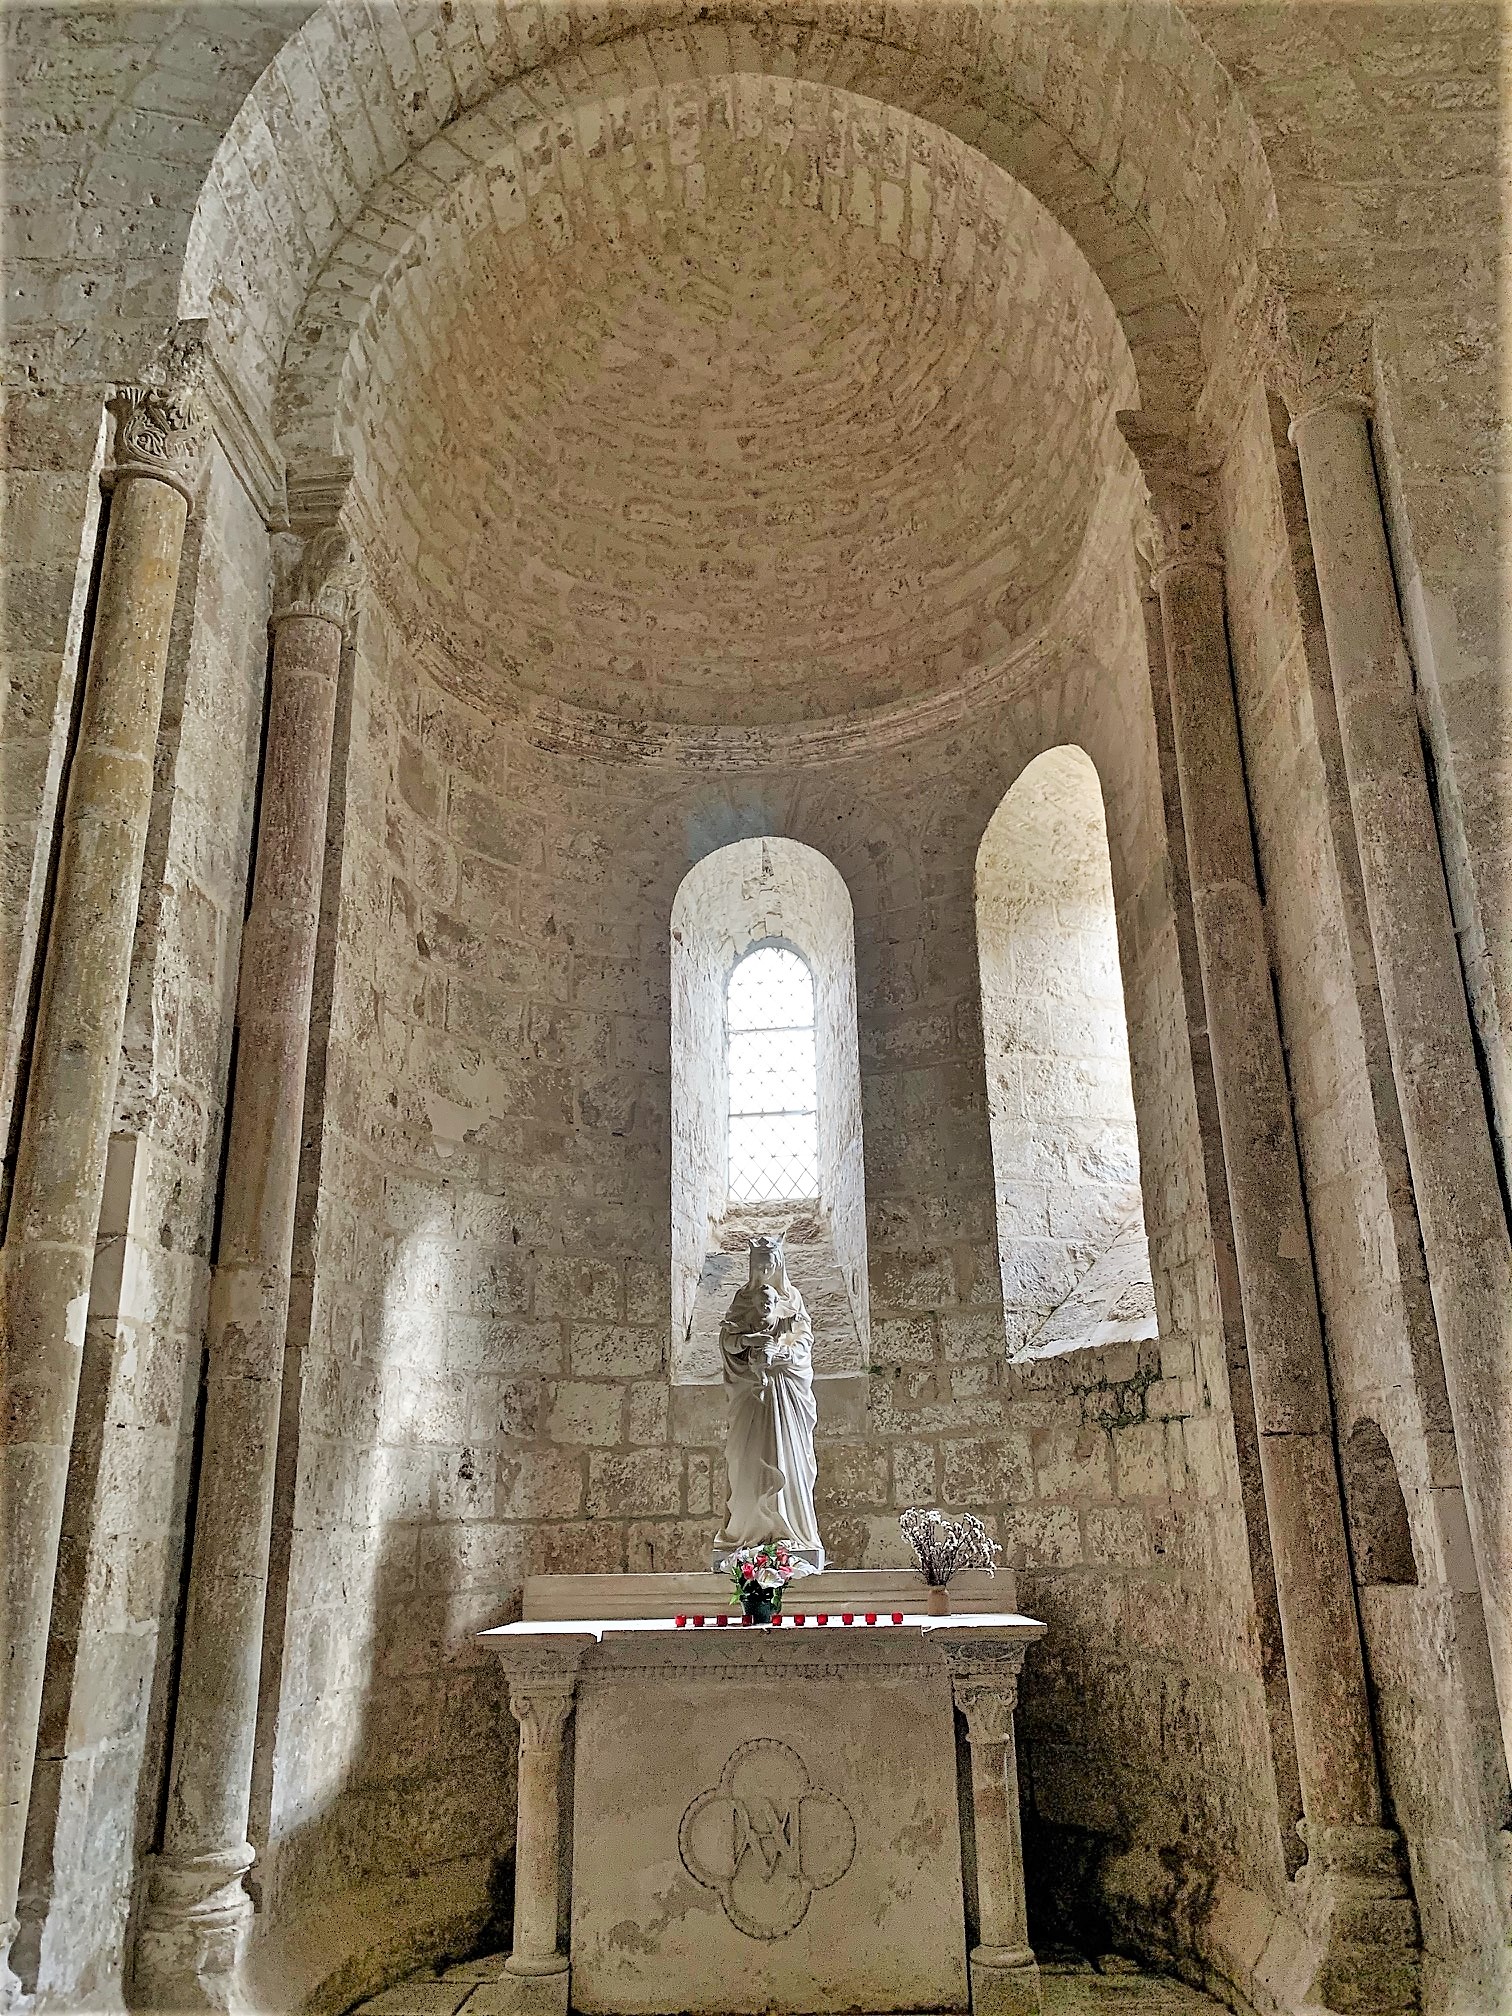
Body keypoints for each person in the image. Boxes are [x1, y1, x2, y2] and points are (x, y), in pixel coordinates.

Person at [712, 1234, 823, 1564]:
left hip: (785, 1394)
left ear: (778, 1264)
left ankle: (790, 1531)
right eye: (758, 1265)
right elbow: (728, 1339)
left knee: (787, 1456)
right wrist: (749, 1344)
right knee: (745, 1460)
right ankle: (748, 1533)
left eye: (769, 1265)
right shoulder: (741, 1299)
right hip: (751, 1395)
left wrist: (783, 1353)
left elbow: (803, 1341)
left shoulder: (792, 1301)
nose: (763, 1271)